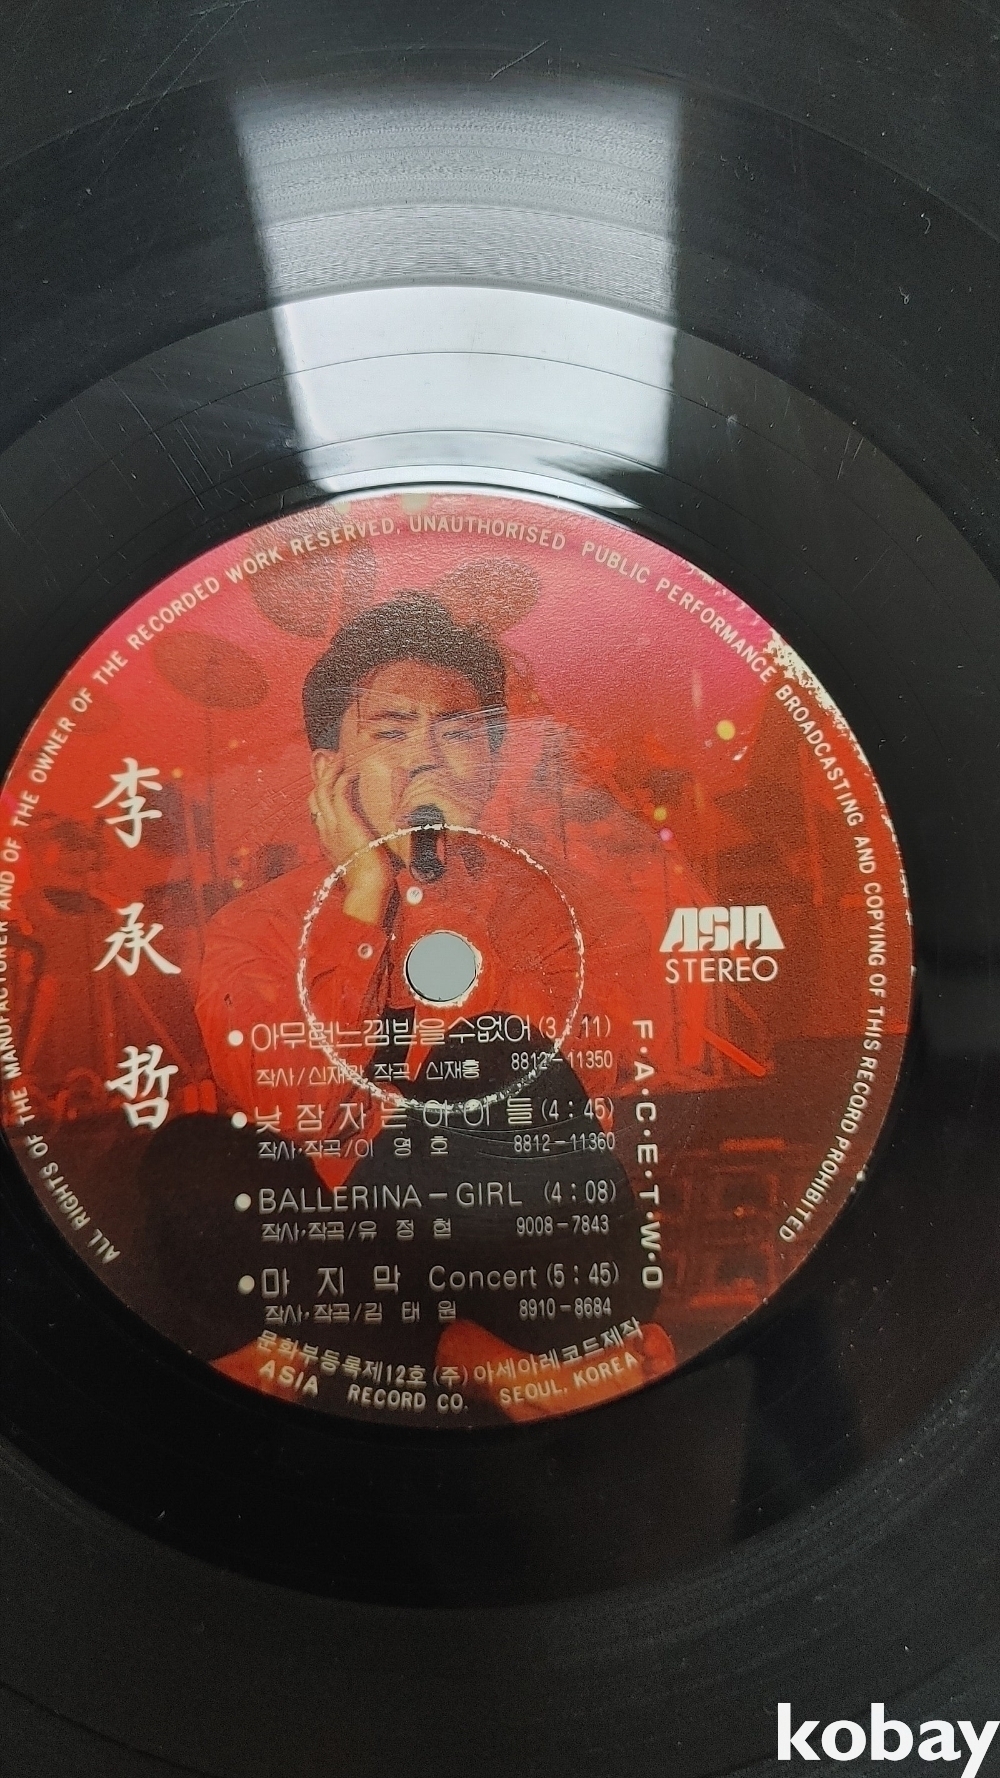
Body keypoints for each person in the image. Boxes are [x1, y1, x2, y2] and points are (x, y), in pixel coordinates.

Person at [196, 593, 709, 1421]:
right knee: (198, 1160)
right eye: (391, 731)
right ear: (330, 768)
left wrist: (444, 892)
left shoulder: (583, 912)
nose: (426, 759)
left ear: (494, 760)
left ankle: (324, 1354)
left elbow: (560, 1091)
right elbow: (304, 1108)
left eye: (459, 732)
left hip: (524, 1274)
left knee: (497, 1053)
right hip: (348, 1281)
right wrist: (364, 892)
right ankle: (459, 1352)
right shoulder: (254, 926)